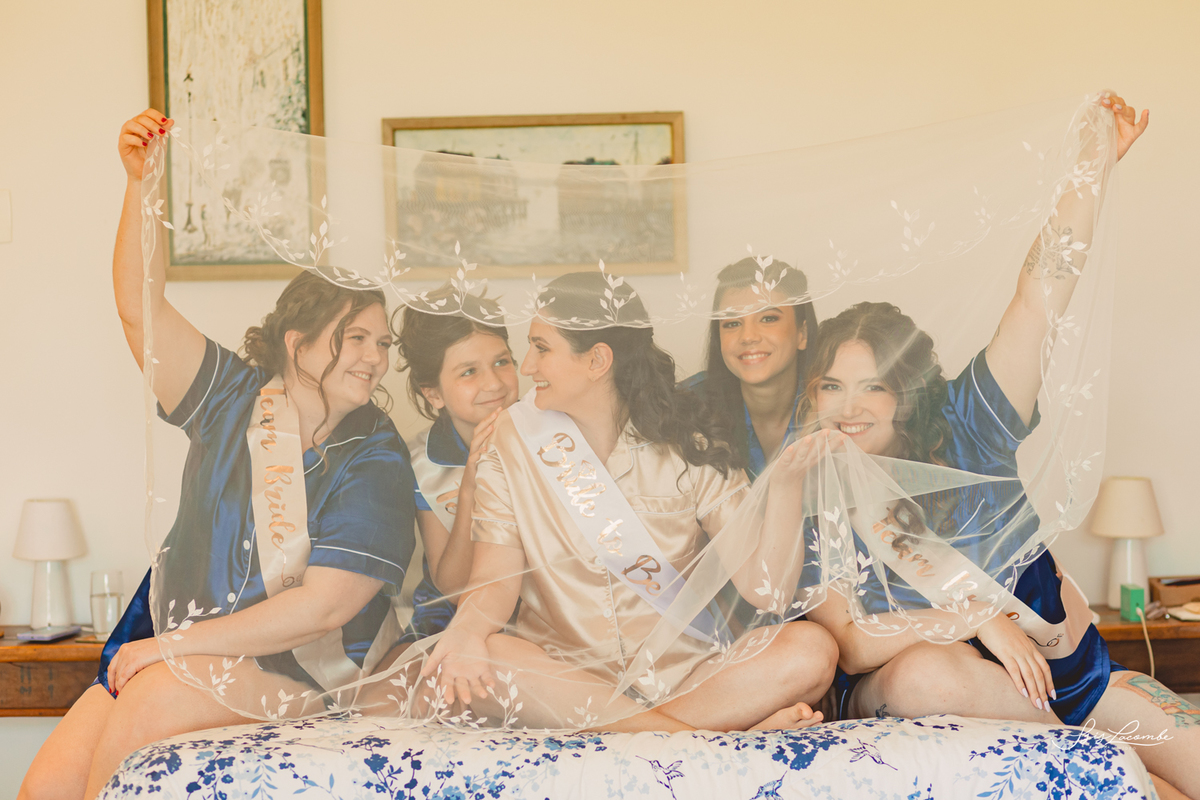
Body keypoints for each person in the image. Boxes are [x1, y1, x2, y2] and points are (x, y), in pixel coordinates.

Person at [802, 94, 1195, 799]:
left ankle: (1109, 759)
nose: (847, 409)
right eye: (832, 386)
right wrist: (978, 617)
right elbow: (853, 646)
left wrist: (1093, 168)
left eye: (872, 388)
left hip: (1064, 684)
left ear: (908, 393)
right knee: (928, 674)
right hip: (920, 683)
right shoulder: (813, 489)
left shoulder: (969, 426)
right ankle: (1108, 768)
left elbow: (1038, 300)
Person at [19, 109, 418, 800]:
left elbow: (322, 610)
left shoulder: (376, 456)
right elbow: (139, 310)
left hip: (307, 677)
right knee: (48, 783)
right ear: (297, 342)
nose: (375, 358)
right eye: (354, 337)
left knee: (151, 700)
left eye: (381, 343)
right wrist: (140, 186)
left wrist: (166, 649)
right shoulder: (232, 396)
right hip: (176, 648)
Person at [417, 270, 839, 732]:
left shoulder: (690, 443)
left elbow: (766, 591)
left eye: (541, 348)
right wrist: (466, 632)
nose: (527, 367)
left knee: (810, 649)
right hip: (565, 681)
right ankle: (699, 735)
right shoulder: (511, 439)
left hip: (685, 677)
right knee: (493, 654)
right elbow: (493, 581)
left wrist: (786, 486)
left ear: (597, 360)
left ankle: (638, 731)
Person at [393, 288, 521, 638]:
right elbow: (452, 588)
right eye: (469, 372)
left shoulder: (556, 437)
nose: (494, 383)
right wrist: (469, 489)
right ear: (433, 393)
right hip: (450, 621)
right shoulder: (422, 461)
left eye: (502, 362)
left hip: (542, 617)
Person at [682, 258, 817, 481]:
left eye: (768, 318)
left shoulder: (833, 404)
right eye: (732, 323)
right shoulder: (686, 407)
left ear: (802, 334)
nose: (747, 337)